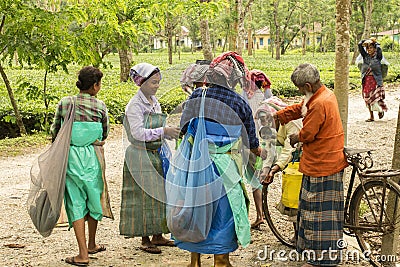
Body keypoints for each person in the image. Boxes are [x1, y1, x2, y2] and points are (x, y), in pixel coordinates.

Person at [175, 51, 266, 267]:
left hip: (195, 166)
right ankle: (220, 260)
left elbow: (183, 130)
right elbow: (251, 142)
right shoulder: (239, 103)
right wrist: (259, 153)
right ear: (235, 79)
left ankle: (194, 260)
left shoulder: (196, 97)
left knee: (196, 209)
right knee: (223, 213)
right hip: (224, 168)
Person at [274, 63, 348, 267]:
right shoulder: (323, 95)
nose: (299, 92)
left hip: (324, 165)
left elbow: (308, 134)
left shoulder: (319, 104)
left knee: (318, 217)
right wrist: (280, 115)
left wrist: (295, 137)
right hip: (320, 162)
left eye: (299, 88)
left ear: (307, 85)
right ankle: (314, 254)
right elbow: (300, 108)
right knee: (313, 213)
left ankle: (322, 259)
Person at [50, 66, 113, 266]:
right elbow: (104, 133)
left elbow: (55, 131)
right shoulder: (100, 106)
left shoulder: (65, 103)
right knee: (94, 198)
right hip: (93, 157)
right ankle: (92, 243)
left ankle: (83, 253)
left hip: (71, 158)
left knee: (75, 202)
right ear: (95, 85)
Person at [119, 63, 180, 254]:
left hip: (155, 154)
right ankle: (145, 239)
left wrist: (167, 134)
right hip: (140, 156)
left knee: (159, 194)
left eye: (158, 82)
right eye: (153, 82)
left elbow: (156, 129)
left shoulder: (153, 101)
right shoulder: (135, 105)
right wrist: (163, 130)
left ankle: (158, 235)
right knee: (143, 196)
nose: (157, 86)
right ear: (142, 82)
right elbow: (137, 133)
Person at [257, 97, 303, 242]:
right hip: (292, 161)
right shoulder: (269, 126)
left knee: (299, 197)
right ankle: (298, 234)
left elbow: (289, 149)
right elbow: (269, 149)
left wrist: (275, 168)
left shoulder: (292, 122)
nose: (265, 123)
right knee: (292, 197)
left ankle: (302, 235)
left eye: (267, 120)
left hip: (303, 157)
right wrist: (266, 169)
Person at [242, 69, 272, 229]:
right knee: (262, 177)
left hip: (251, 144)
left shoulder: (247, 98)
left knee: (254, 180)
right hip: (265, 141)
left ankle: (260, 215)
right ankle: (264, 214)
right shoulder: (266, 97)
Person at [358, 37, 388, 122]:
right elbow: (360, 46)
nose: (369, 49)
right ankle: (371, 116)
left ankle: (380, 111)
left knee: (376, 97)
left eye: (371, 47)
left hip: (376, 80)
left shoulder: (378, 57)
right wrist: (364, 41)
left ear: (374, 48)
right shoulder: (365, 57)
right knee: (367, 98)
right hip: (367, 80)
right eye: (368, 48)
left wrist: (374, 42)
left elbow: (379, 48)